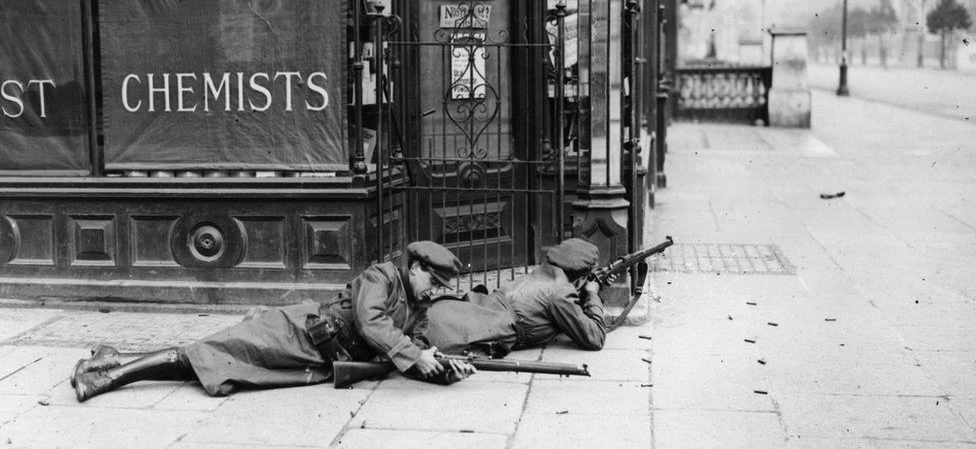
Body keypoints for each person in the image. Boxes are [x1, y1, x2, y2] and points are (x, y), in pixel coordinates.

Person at [71, 241, 476, 402]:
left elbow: (417, 349)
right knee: (208, 354)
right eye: (434, 282)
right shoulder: (382, 277)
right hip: (299, 330)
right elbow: (371, 324)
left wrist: (441, 367)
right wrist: (414, 353)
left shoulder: (418, 307)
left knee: (217, 365)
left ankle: (111, 358)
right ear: (418, 268)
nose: (435, 292)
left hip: (317, 360)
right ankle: (106, 378)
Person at [415, 238, 606, 357]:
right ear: (581, 276)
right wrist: (592, 293)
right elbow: (595, 338)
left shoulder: (539, 273)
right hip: (483, 327)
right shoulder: (560, 292)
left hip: (469, 308)